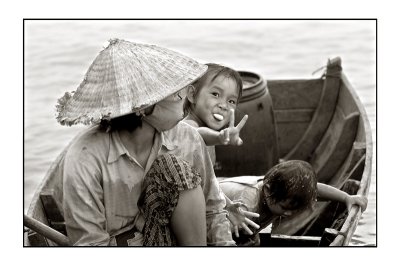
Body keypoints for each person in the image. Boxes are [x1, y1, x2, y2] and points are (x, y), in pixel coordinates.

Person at [56, 39, 235, 246]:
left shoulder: (188, 138)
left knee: (172, 169)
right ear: (143, 108)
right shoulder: (85, 158)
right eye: (177, 92)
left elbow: (212, 210)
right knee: (172, 168)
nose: (187, 98)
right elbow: (91, 244)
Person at [181, 63, 259, 235]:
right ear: (193, 95)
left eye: (231, 101)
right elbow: (196, 133)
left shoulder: (210, 138)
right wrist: (219, 137)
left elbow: (209, 184)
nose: (223, 105)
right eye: (215, 94)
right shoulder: (187, 127)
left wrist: (228, 205)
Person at [219, 160, 368, 246]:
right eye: (285, 208)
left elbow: (316, 189)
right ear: (267, 191)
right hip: (215, 216)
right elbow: (216, 234)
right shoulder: (247, 206)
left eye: (294, 210)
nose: (289, 214)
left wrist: (346, 198)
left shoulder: (276, 189)